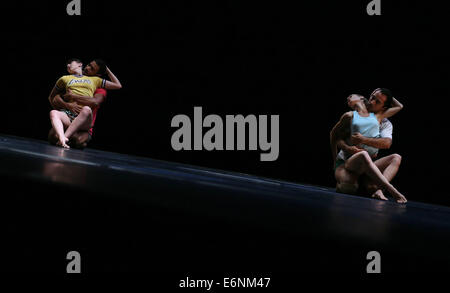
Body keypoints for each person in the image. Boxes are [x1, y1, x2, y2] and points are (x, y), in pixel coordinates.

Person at [330, 88, 407, 203]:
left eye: (377, 101)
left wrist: (363, 139)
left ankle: (380, 190)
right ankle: (386, 188)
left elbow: (387, 143)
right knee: (349, 187)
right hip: (349, 162)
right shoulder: (353, 116)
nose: (372, 102)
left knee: (396, 157)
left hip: (368, 164)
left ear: (384, 107)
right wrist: (346, 149)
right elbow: (336, 136)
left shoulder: (383, 120)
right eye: (372, 97)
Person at [48, 58, 122, 148]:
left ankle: (65, 138)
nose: (87, 68)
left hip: (84, 123)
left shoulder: (97, 83)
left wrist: (107, 70)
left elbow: (95, 102)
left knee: (78, 140)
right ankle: (63, 138)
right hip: (70, 116)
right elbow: (54, 97)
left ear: (97, 74)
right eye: (89, 65)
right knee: (53, 135)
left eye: (92, 68)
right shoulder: (69, 79)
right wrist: (67, 105)